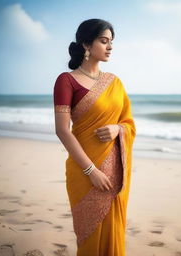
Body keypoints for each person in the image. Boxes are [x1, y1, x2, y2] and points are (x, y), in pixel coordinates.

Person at [53, 18, 136, 256]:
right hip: (84, 171)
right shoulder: (66, 80)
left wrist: (118, 130)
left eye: (111, 42)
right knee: (88, 235)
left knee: (113, 230)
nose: (110, 47)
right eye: (104, 41)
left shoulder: (115, 82)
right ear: (87, 45)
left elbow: (128, 123)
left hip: (114, 170)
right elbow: (62, 130)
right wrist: (91, 171)